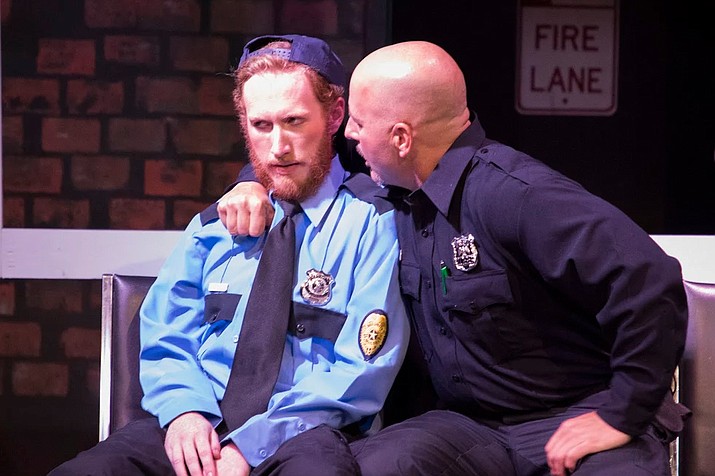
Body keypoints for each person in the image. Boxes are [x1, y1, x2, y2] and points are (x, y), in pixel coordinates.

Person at [220, 41, 690, 476]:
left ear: (402, 138)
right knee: (371, 466)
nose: (350, 135)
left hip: (580, 411)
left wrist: (621, 412)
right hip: (471, 427)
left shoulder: (517, 196)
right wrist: (252, 179)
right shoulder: (396, 193)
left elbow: (649, 282)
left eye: (359, 123)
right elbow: (302, 158)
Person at [49, 34, 408, 476]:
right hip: (200, 424)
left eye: (294, 121)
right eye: (261, 125)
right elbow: (165, 336)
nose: (278, 146)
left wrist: (250, 447)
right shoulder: (212, 228)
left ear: (334, 116)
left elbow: (361, 371)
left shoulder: (372, 224)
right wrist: (184, 413)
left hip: (303, 434)